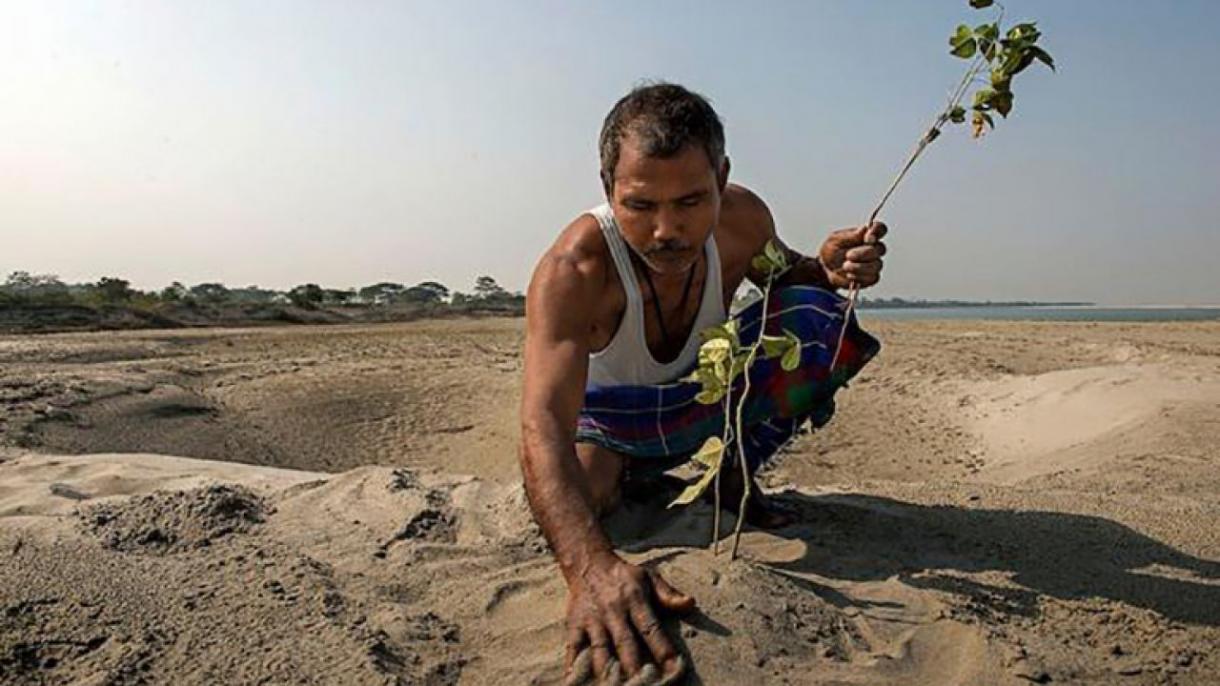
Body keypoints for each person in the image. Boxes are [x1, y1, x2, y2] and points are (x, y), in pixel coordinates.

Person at [519, 82, 887, 684]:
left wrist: (826, 267)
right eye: (640, 206)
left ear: (722, 177)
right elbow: (541, 424)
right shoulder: (574, 269)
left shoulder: (744, 219)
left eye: (691, 201)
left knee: (818, 314)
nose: (667, 230)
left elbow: (787, 276)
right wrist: (590, 570)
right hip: (609, 421)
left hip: (705, 403)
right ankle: (631, 477)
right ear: (608, 186)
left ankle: (731, 477)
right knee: (586, 498)